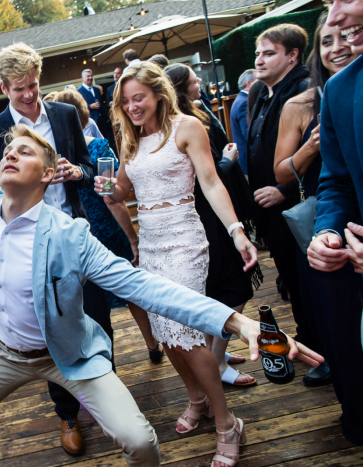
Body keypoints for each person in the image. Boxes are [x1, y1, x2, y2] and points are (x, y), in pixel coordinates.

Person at [0, 125, 322, 467]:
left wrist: (235, 322)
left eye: (25, 151)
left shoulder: (70, 235)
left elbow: (143, 286)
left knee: (141, 444)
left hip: (70, 354)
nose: (11, 155)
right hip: (3, 353)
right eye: (8, 150)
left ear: (48, 174)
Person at [105, 61, 260, 466]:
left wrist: (236, 231)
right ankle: (198, 399)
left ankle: (227, 422)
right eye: (126, 101)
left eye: (138, 98)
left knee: (186, 333)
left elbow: (211, 181)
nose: (133, 106)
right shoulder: (129, 137)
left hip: (186, 242)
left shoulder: (187, 127)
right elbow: (123, 189)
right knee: (164, 331)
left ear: (158, 93)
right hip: (152, 246)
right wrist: (108, 188)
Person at [0, 42, 112, 455]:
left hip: (75, 233)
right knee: (52, 329)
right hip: (29, 247)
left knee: (97, 316)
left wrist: (77, 172)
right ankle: (67, 414)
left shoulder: (66, 114)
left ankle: (106, 401)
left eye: (34, 85)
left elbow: (90, 170)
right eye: (20, 89)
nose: (30, 95)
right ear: (3, 87)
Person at [47, 89, 165, 363]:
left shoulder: (51, 159)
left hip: (74, 236)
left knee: (89, 303)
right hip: (108, 231)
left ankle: (99, 358)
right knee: (130, 290)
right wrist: (133, 239)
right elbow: (112, 199)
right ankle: (151, 344)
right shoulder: (98, 148)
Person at [164, 63, 260, 388]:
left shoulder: (199, 111)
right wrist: (226, 162)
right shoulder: (181, 125)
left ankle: (215, 354)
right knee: (232, 289)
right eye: (194, 80)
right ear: (181, 87)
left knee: (224, 289)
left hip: (219, 216)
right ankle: (214, 360)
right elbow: (196, 176)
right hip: (207, 220)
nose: (200, 82)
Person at [248, 24, 326, 380]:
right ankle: (309, 338)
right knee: (294, 282)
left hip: (298, 204)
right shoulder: (262, 94)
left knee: (308, 283)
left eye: (268, 53)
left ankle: (322, 350)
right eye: (257, 54)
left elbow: (313, 152)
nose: (259, 60)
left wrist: (284, 188)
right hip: (272, 211)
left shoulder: (304, 91)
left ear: (293, 56)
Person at [306, 0, 363, 445]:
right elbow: (337, 183)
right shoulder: (342, 90)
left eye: (346, 0)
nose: (337, 18)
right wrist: (327, 229)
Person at [230, 69, 255, 175]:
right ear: (249, 83)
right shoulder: (244, 102)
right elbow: (249, 134)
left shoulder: (239, 99)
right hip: (249, 163)